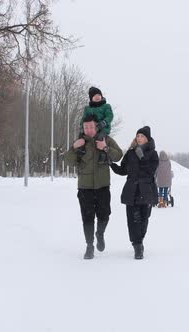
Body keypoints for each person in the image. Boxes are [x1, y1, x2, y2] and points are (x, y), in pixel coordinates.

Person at [65, 114, 123, 259]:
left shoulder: (105, 139)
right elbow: (68, 161)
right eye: (86, 127)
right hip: (85, 188)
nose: (88, 129)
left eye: (91, 126)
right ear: (83, 128)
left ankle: (100, 233)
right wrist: (73, 147)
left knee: (104, 215)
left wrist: (106, 148)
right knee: (87, 218)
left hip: (103, 186)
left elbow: (119, 155)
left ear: (96, 126)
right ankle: (89, 246)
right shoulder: (80, 142)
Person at [110, 126, 159, 259]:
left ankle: (140, 241)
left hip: (146, 190)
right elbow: (123, 170)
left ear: (147, 139)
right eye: (138, 136)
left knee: (143, 219)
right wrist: (111, 164)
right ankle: (137, 246)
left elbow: (150, 171)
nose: (139, 138)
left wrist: (142, 158)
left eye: (142, 136)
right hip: (131, 191)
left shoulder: (153, 154)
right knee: (133, 220)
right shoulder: (130, 153)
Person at [76, 87, 114, 164]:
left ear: (101, 96)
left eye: (98, 95)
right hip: (90, 129)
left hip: (103, 129)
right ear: (91, 98)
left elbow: (110, 116)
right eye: (94, 96)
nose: (97, 97)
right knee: (82, 137)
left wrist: (104, 122)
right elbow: (83, 119)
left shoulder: (106, 106)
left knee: (100, 139)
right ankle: (81, 151)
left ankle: (103, 155)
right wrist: (81, 128)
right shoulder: (88, 108)